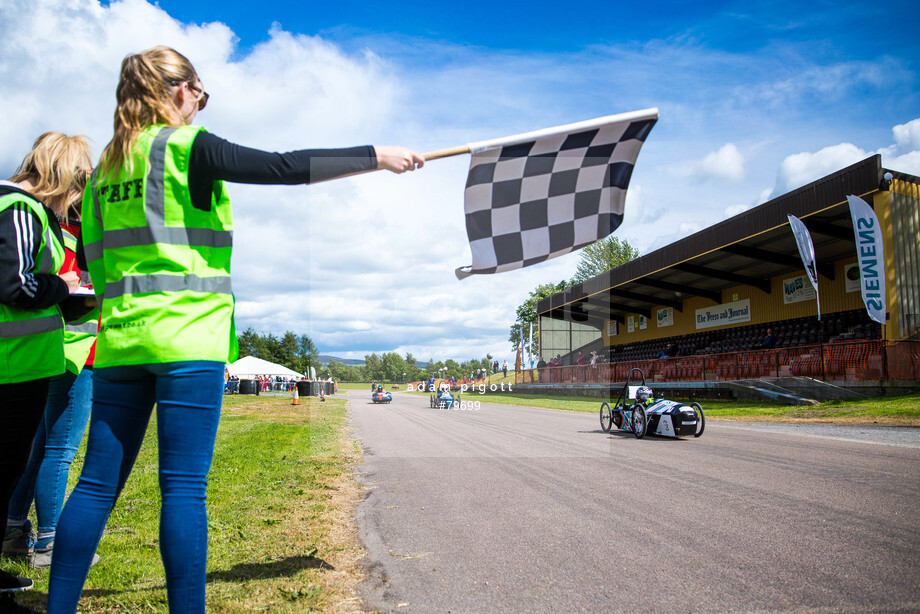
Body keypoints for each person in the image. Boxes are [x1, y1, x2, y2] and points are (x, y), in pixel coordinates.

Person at [47, 45, 424, 614]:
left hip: (121, 343)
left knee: (96, 486)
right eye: (200, 93)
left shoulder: (102, 171)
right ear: (179, 90)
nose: (200, 104)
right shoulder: (187, 147)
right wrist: (378, 155)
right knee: (182, 489)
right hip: (187, 340)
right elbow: (285, 167)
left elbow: (96, 264)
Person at [1, 132, 89, 613]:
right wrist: (64, 286)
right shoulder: (21, 209)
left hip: (31, 362)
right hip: (13, 366)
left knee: (18, 461)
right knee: (25, 458)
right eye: (79, 184)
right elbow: (15, 285)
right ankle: (45, 543)